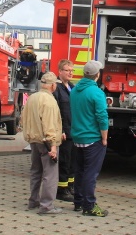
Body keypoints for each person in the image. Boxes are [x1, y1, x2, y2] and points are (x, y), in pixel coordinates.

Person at [21, 71, 64, 215]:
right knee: (50, 175)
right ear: (52, 85)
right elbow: (49, 124)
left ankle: (33, 200)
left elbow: (23, 119)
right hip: (46, 142)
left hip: (33, 140)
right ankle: (46, 206)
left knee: (35, 172)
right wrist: (53, 145)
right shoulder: (50, 101)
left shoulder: (32, 98)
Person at [70, 60, 109, 217]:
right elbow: (102, 116)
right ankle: (90, 206)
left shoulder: (74, 90)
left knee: (79, 172)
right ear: (97, 75)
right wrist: (104, 138)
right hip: (92, 139)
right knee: (90, 174)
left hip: (77, 138)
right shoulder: (96, 93)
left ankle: (78, 202)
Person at [54, 59, 75, 202]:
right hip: (64, 131)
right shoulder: (57, 88)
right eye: (67, 70)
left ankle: (70, 187)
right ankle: (61, 190)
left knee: (73, 161)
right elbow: (55, 112)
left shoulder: (72, 87)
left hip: (73, 130)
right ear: (60, 71)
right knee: (64, 161)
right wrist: (60, 130)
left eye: (72, 70)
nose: (70, 73)